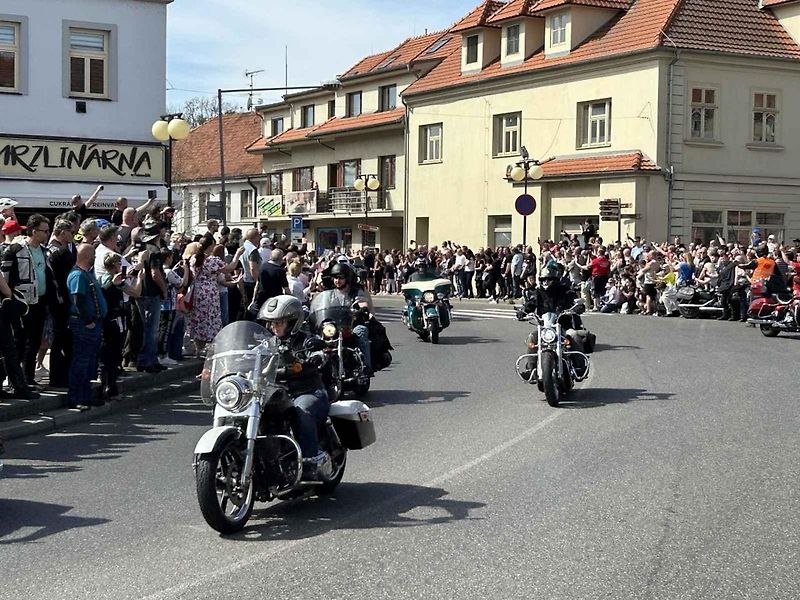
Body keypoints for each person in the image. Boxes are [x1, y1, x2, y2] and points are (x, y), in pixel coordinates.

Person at [259, 295, 332, 479]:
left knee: (302, 411)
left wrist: (316, 356)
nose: (274, 327)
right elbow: (250, 356)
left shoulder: (306, 340)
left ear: (292, 322)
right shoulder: (268, 343)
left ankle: (309, 461)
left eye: (279, 322)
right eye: (272, 323)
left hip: (306, 391)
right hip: (276, 393)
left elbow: (318, 352)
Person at [1, 214, 53, 388]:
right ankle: (14, 380)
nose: (47, 234)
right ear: (34, 231)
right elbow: (5, 276)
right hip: (22, 303)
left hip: (39, 301)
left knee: (35, 341)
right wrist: (9, 298)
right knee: (20, 341)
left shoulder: (44, 251)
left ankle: (28, 378)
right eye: (44, 231)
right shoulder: (16, 249)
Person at [67, 244, 107, 410]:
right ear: (86, 256)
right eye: (93, 254)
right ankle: (76, 397)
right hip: (83, 325)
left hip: (93, 325)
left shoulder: (87, 274)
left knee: (89, 361)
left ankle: (86, 395)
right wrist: (88, 320)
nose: (95, 257)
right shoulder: (77, 275)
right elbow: (78, 299)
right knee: (81, 361)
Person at [188, 236, 243, 356]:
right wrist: (237, 255)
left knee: (199, 319)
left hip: (197, 291)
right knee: (210, 318)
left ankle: (198, 348)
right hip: (210, 292)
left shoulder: (194, 258)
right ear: (211, 245)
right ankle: (205, 347)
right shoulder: (212, 260)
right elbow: (229, 268)